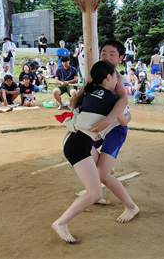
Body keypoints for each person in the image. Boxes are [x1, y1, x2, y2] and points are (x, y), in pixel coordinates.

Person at [52, 60, 138, 243]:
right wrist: (122, 110)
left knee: (101, 172)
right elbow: (124, 120)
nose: (117, 80)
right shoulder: (112, 99)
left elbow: (74, 106)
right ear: (109, 77)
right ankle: (61, 222)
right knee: (95, 193)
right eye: (116, 76)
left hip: (72, 139)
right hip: (80, 146)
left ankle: (104, 172)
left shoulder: (89, 91)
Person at [70, 39, 132, 209]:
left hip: (114, 127)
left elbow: (123, 101)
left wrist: (107, 121)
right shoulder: (94, 76)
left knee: (103, 173)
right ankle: (95, 190)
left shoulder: (117, 78)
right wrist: (75, 108)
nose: (106, 56)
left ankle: (130, 206)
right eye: (103, 53)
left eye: (112, 54)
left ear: (120, 59)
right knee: (83, 149)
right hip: (97, 126)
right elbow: (79, 95)